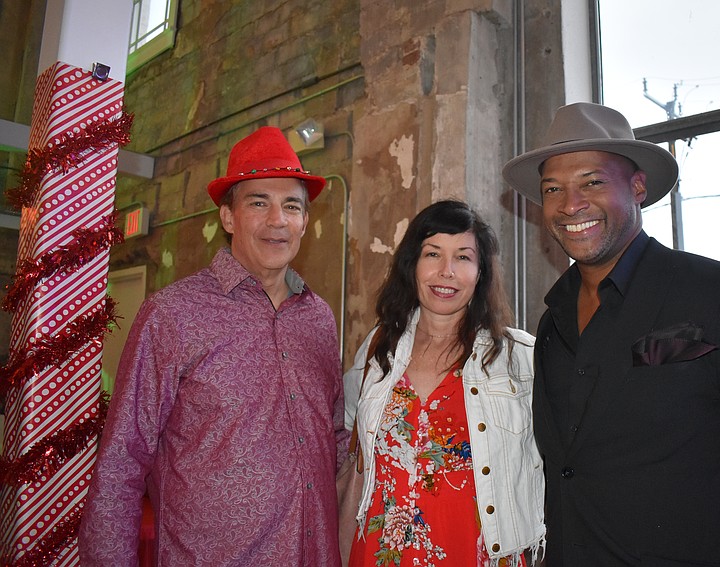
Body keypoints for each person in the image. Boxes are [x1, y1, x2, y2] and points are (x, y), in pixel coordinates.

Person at [501, 102, 720, 565]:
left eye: (593, 181)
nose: (571, 204)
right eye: (553, 189)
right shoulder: (551, 324)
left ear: (638, 186)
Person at [79, 127, 347, 565]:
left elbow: (333, 438)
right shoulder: (173, 315)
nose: (277, 220)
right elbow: (120, 466)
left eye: (292, 206)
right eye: (259, 202)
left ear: (305, 221)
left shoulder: (317, 318)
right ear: (228, 216)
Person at [343, 200, 545, 566]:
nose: (446, 271)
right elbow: (347, 434)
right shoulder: (377, 349)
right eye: (433, 254)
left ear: (481, 272)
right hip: (379, 555)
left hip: (471, 553)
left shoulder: (520, 359)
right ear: (412, 264)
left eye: (464, 257)